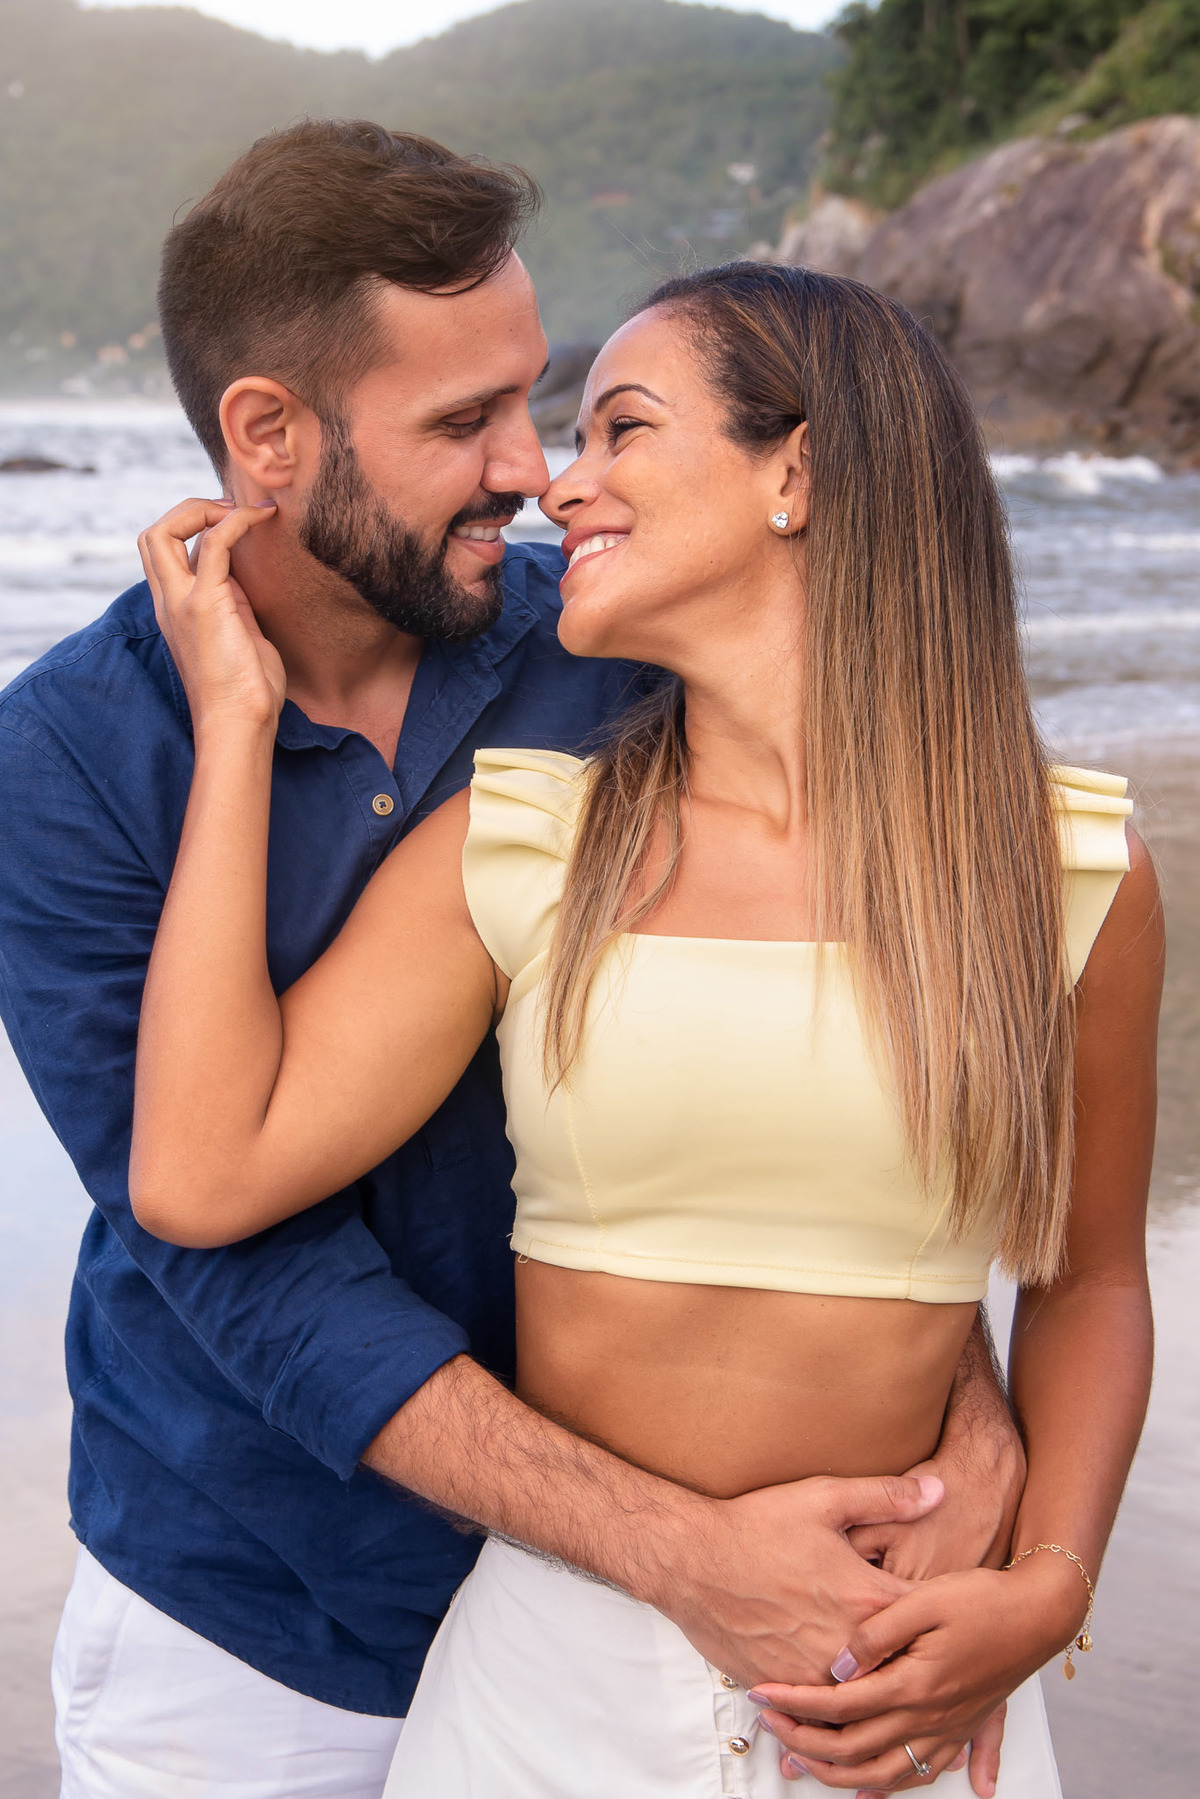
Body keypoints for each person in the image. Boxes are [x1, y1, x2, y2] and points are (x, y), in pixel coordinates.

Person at [0, 125, 1022, 1799]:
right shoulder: (66, 762)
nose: (529, 469)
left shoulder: (617, 646)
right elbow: (234, 1258)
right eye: (462, 420)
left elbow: (814, 1073)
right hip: (266, 1623)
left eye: (539, 401)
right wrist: (673, 1550)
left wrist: (959, 1415)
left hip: (655, 1621)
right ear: (268, 434)